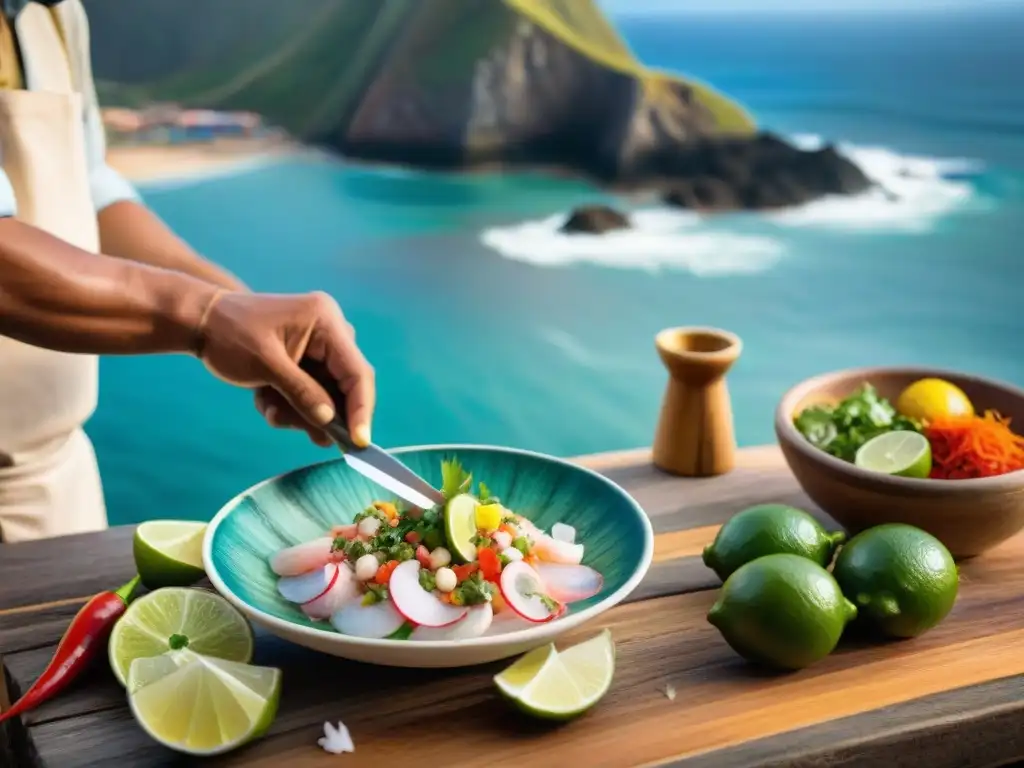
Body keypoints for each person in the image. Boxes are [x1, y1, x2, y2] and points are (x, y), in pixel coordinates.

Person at [0, 0, 375, 542]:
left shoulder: (57, 15)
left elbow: (89, 188)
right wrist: (206, 318)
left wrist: (246, 312)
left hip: (60, 487)